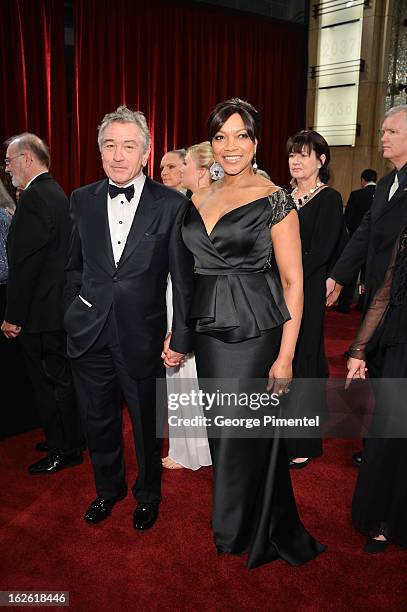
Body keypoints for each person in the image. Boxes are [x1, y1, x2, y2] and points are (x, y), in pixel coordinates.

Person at [181, 98, 325, 569]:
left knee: (246, 430)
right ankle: (238, 520)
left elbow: (294, 283)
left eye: (241, 136)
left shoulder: (275, 199)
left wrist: (285, 357)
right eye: (221, 137)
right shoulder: (199, 196)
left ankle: (241, 528)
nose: (230, 146)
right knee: (223, 432)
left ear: (256, 142)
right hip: (208, 331)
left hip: (255, 332)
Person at [64, 106, 194, 528]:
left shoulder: (172, 204)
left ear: (145, 152)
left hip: (144, 334)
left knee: (145, 424)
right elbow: (73, 266)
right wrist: (74, 311)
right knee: (97, 419)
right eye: (109, 145)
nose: (118, 155)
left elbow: (183, 278)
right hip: (89, 332)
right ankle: (108, 490)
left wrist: (179, 338)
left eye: (128, 146)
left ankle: (148, 493)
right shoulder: (81, 199)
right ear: (100, 151)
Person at [327, 105, 407, 465]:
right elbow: (364, 234)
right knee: (381, 378)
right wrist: (338, 276)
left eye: (392, 131)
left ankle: (385, 458)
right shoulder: (389, 182)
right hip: (379, 296)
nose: (383, 137)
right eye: (383, 131)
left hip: (400, 302)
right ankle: (380, 451)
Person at [1, 133, 83, 472]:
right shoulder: (53, 191)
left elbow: (27, 265)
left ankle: (64, 449)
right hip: (52, 308)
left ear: (27, 158)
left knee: (51, 382)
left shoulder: (36, 197)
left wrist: (12, 316)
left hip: (40, 312)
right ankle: (65, 439)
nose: (6, 169)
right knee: (58, 380)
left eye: (9, 161)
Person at [285, 130, 346, 468]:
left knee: (304, 359)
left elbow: (320, 252)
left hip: (306, 291)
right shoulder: (282, 196)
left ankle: (302, 438)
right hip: (276, 291)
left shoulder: (329, 199)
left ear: (321, 161)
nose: (296, 160)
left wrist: (287, 273)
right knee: (281, 360)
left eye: (304, 154)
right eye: (293, 154)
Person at [346, 229, 407, 552]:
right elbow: (385, 292)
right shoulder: (406, 234)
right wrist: (359, 349)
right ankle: (384, 520)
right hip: (401, 345)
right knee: (390, 434)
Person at [162, 141, 213, 470]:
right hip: (177, 294)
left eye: (180, 166)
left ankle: (195, 449)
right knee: (182, 372)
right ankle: (190, 446)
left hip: (192, 297)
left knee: (190, 372)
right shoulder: (190, 204)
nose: (173, 173)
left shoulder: (198, 207)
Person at [336, 169, 377, 313]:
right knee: (367, 275)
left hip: (356, 241)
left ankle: (345, 303)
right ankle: (363, 301)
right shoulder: (381, 194)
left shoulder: (356, 195)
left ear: (362, 180)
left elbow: (347, 218)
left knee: (351, 275)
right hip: (375, 244)